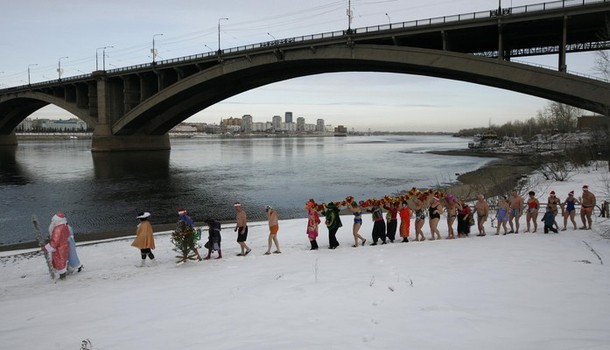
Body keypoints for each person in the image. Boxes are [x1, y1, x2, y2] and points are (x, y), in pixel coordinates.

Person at [44, 212, 70, 279]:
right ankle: (64, 273)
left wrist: (46, 248)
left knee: (59, 261)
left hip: (59, 249)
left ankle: (62, 276)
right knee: (63, 260)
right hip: (65, 246)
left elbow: (54, 242)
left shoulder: (57, 229)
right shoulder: (65, 226)